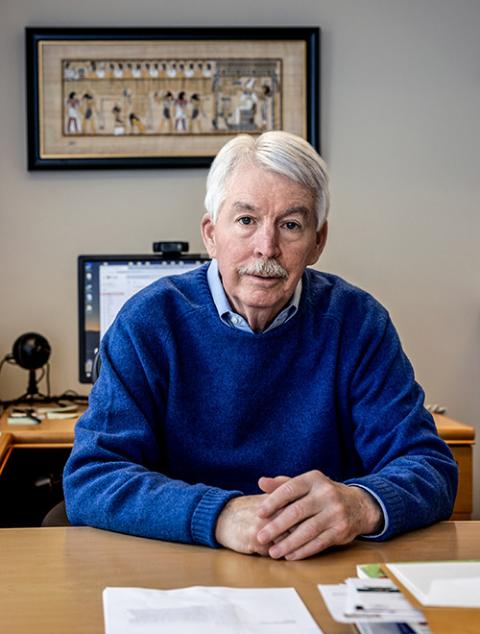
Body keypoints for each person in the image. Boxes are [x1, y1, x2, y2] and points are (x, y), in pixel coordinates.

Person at [64, 131, 457, 561]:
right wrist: (221, 514)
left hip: (318, 568)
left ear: (318, 242)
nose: (266, 248)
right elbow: (93, 477)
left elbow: (429, 465)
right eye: (246, 220)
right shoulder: (147, 323)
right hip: (180, 568)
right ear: (211, 234)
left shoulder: (357, 323)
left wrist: (361, 504)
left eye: (290, 225)